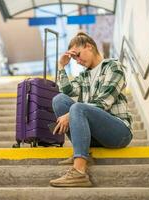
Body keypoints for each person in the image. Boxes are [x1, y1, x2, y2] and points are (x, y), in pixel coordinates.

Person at [49, 32, 133, 187]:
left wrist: (71, 114)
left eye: (78, 55)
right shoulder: (84, 76)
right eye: (75, 59)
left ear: (89, 46)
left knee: (78, 108)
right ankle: (83, 152)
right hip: (97, 134)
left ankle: (79, 172)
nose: (78, 61)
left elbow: (104, 102)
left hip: (118, 132)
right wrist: (61, 66)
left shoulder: (113, 67)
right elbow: (66, 90)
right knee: (58, 99)